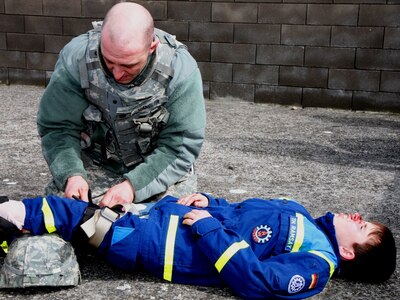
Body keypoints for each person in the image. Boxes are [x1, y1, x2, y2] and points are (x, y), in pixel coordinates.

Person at [0, 193, 396, 299]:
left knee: (78, 217)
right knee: (92, 217)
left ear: (349, 253)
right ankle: (14, 223)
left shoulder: (316, 265)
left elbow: (256, 280)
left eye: (363, 229)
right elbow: (242, 213)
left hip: (160, 246)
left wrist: (208, 228)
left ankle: (10, 216)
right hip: (161, 221)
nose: (358, 217)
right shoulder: (306, 218)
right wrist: (211, 203)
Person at [37, 2, 206, 207]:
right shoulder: (77, 57)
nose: (117, 74)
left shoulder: (180, 69)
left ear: (152, 47)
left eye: (129, 65)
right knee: (60, 219)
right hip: (94, 167)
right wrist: (71, 174)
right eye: (109, 62)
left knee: (169, 225)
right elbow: (58, 127)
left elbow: (180, 145)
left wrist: (133, 186)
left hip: (158, 169)